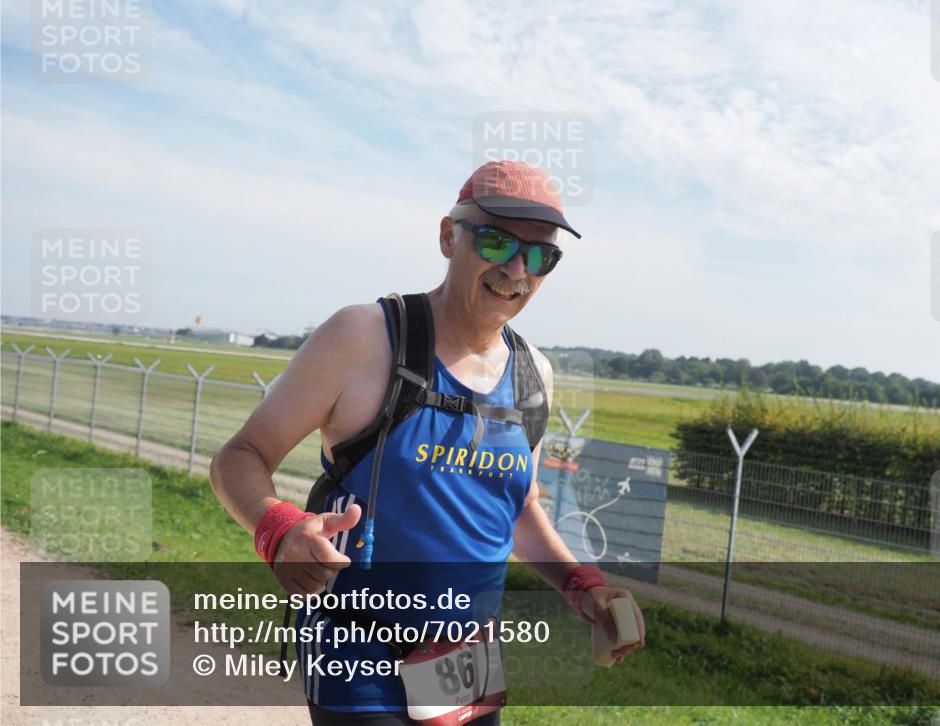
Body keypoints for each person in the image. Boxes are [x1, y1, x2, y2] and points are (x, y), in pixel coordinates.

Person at [210, 160, 646, 725]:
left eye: (540, 255)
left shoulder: (532, 373)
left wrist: (583, 586)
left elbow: (518, 508)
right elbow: (240, 458)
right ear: (448, 236)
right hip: (355, 642)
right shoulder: (364, 337)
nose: (517, 268)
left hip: (467, 655)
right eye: (496, 240)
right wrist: (280, 529)